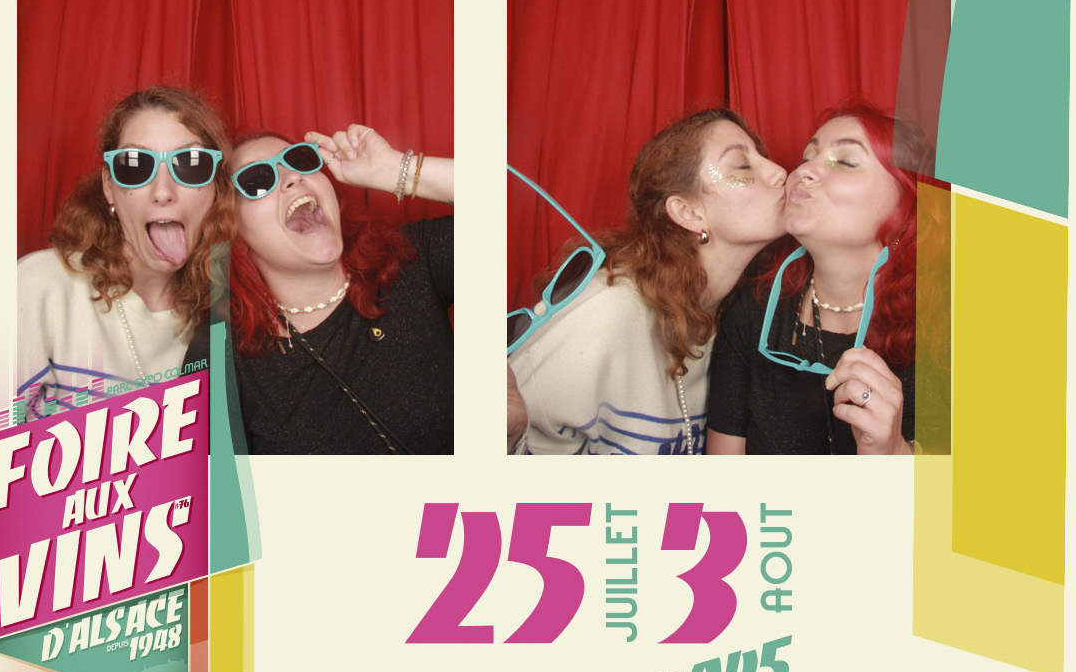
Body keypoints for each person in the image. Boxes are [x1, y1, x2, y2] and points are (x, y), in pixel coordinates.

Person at [508, 110, 787, 454]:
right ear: (688, 212)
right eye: (742, 166)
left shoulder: (744, 317)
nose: (779, 172)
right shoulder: (605, 313)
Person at [184, 124, 454, 454]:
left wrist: (394, 169)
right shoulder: (218, 354)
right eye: (257, 180)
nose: (293, 176)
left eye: (299, 159)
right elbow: (208, 484)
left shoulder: (409, 259)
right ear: (231, 229)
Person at [706, 107, 934, 455]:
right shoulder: (754, 309)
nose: (802, 171)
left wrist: (897, 454)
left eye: (845, 161)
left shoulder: (950, 329)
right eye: (806, 157)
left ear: (905, 205)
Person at [16, 85, 233, 418]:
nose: (163, 191)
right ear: (109, 186)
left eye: (191, 164)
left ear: (216, 189)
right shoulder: (41, 286)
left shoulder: (220, 316)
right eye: (136, 165)